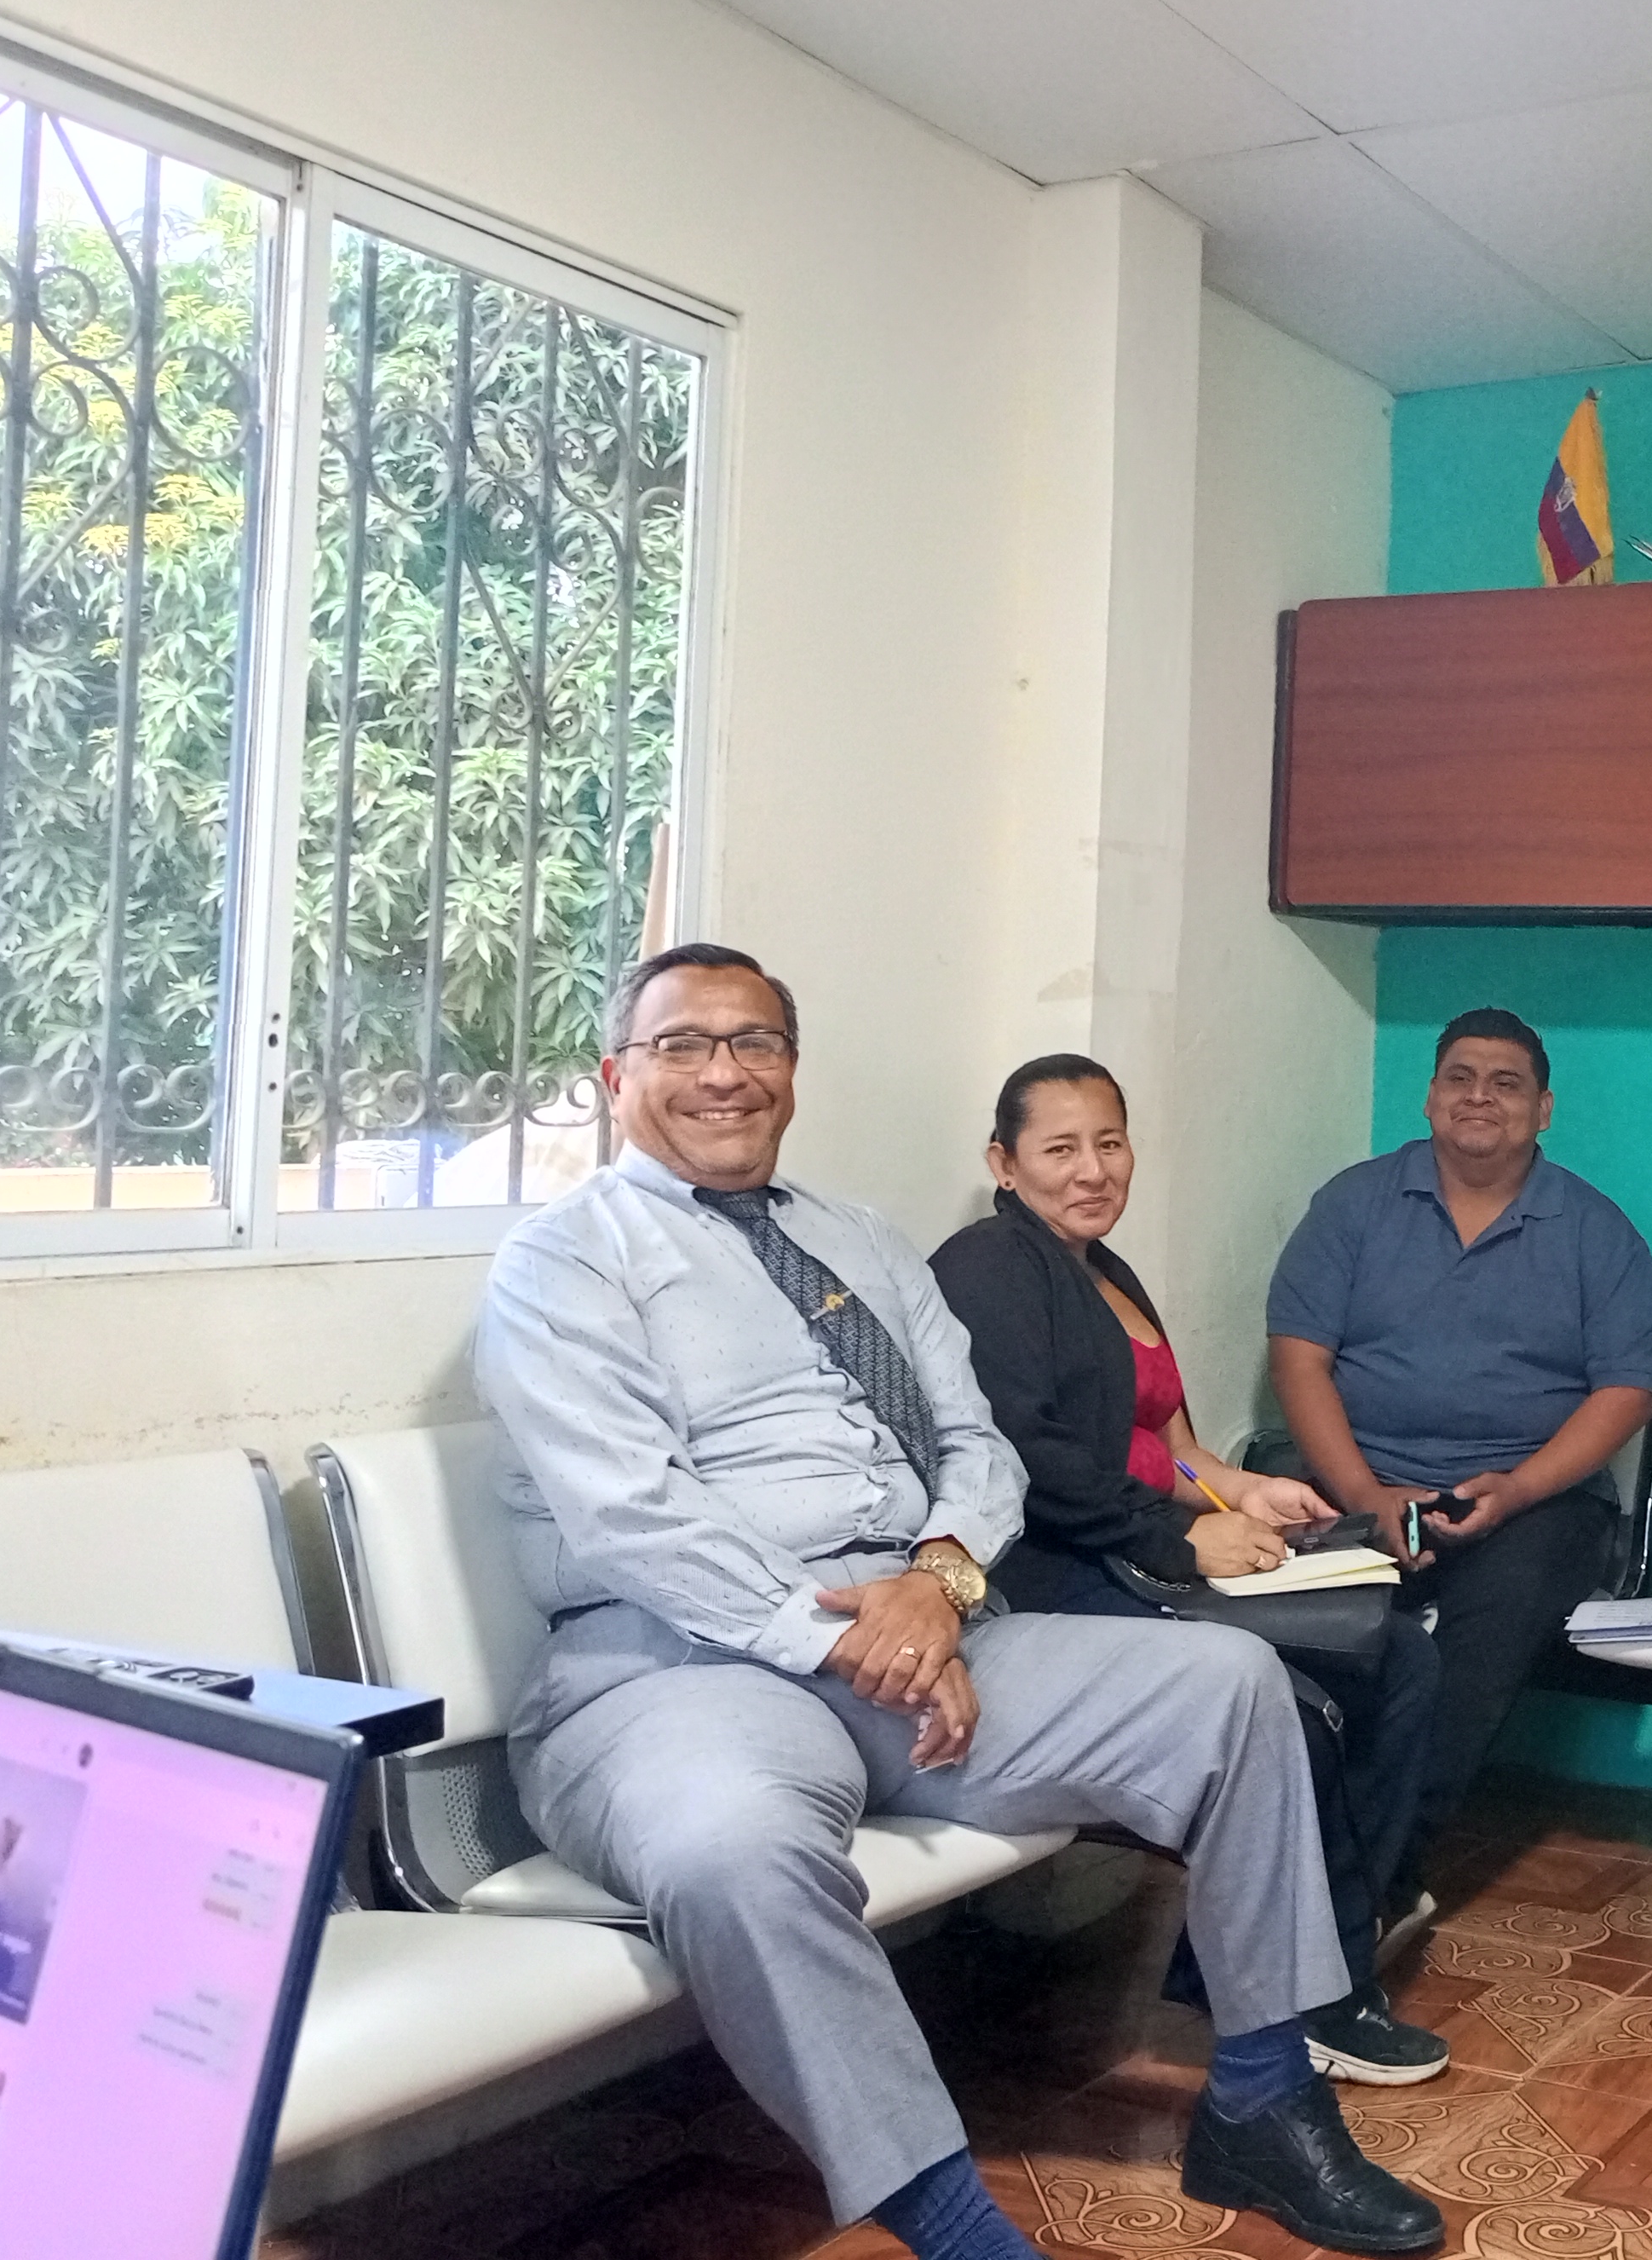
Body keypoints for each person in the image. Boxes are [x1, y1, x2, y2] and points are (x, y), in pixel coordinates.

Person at [479, 943, 1440, 2260]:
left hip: (924, 1639)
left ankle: (1266, 2103)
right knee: (730, 1851)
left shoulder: (862, 1239)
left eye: (754, 1042)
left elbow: (976, 1442)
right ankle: (950, 2223)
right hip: (679, 1668)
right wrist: (853, 1635)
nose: (723, 1073)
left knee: (1231, 1688)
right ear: (614, 1076)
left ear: (792, 1070)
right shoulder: (565, 1260)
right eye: (682, 1045)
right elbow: (632, 1516)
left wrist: (936, 1586)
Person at [930, 1054, 1448, 2088]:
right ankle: (1299, 1995)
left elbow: (1167, 1445)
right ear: (1003, 1162)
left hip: (1136, 1543)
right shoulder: (987, 1266)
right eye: (1060, 1148)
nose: (1091, 1170)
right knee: (1294, 1704)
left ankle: (1307, 1949)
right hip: (1057, 1568)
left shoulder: (1106, 1270)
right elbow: (1024, 1454)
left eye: (1109, 1143)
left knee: (1401, 1659)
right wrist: (1177, 1542)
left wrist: (1241, 1494)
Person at [1262, 1007, 1652, 1878]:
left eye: (1506, 1082)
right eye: (1461, 1077)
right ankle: (1281, 1845)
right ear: (1429, 1097)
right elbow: (1298, 1360)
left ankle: (1370, 1878)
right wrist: (1365, 1498)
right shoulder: (1353, 1205)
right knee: (1290, 1614)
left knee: (1481, 1641)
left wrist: (1517, 1489)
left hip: (1534, 1503)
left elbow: (1628, 1389)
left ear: (1544, 1109)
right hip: (1356, 1481)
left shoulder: (1594, 1229)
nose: (1479, 1096)